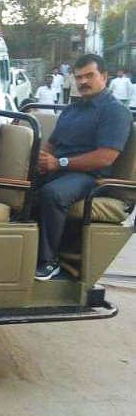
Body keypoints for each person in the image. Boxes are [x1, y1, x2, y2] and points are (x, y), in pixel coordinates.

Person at [33, 54, 132, 281]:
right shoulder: (72, 109)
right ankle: (20, 247)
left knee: (53, 194)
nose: (83, 82)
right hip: (61, 169)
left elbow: (105, 157)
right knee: (20, 185)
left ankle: (49, 259)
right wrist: (41, 160)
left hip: (92, 177)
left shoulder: (114, 111)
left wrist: (59, 163)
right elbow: (53, 142)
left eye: (90, 76)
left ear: (104, 77)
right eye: (79, 77)